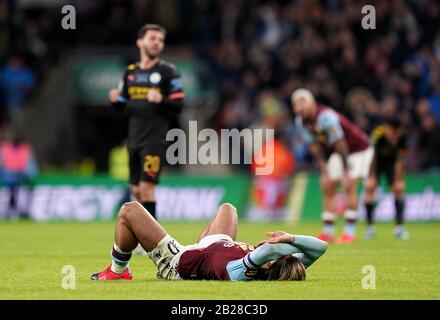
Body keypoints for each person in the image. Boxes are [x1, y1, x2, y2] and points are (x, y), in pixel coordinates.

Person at [91, 202, 328, 281]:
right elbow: (321, 248)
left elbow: (272, 249)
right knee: (228, 208)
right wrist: (295, 239)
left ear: (269, 264)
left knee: (129, 211)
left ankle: (117, 270)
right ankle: (201, 249)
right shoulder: (280, 264)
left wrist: (287, 242)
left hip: (179, 263)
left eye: (278, 255)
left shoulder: (242, 271)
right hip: (212, 246)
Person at [108, 24, 184, 220]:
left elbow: (178, 105)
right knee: (136, 190)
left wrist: (162, 100)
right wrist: (115, 101)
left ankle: (154, 242)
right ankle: (143, 235)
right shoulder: (130, 73)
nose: (157, 43)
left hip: (154, 140)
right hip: (134, 140)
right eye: (153, 39)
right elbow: (123, 107)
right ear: (140, 42)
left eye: (160, 40)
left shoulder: (169, 72)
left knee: (147, 188)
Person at [291, 89, 374, 244]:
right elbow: (313, 146)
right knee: (327, 183)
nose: (300, 107)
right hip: (338, 150)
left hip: (358, 148)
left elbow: (340, 142)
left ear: (312, 103)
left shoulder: (326, 117)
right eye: (296, 104)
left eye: (303, 102)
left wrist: (346, 170)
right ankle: (328, 231)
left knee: (349, 184)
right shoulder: (300, 122)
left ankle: (350, 231)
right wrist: (324, 168)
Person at [364, 119, 409, 240]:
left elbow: (401, 159)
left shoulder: (402, 136)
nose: (394, 136)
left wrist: (398, 178)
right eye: (391, 133)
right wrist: (371, 176)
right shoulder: (377, 134)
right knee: (370, 187)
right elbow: (371, 155)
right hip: (376, 162)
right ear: (386, 129)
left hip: (392, 163)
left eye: (396, 134)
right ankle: (369, 228)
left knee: (399, 188)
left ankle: (399, 229)